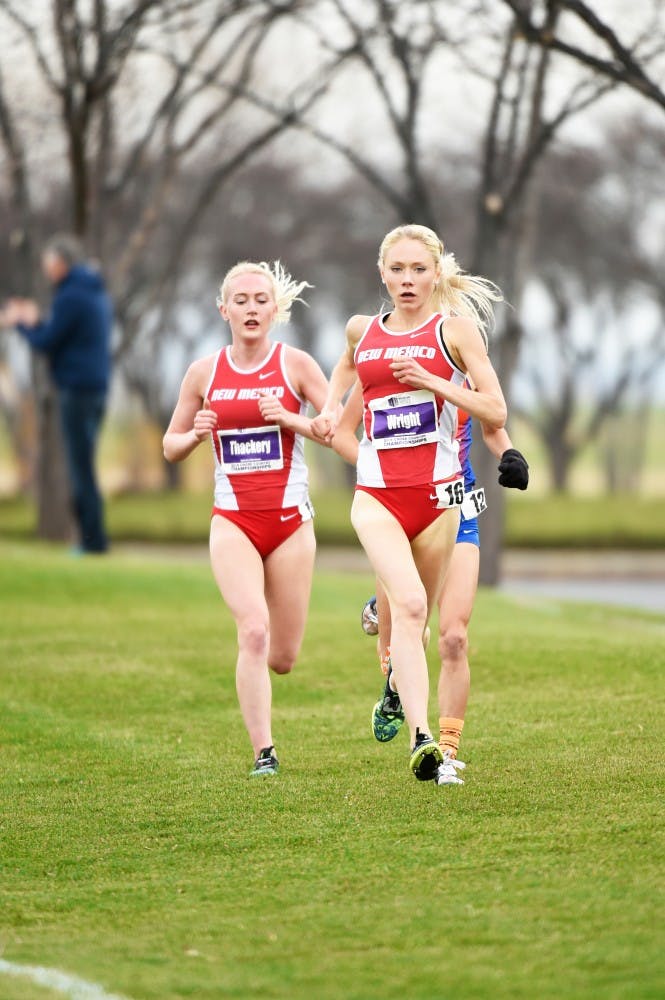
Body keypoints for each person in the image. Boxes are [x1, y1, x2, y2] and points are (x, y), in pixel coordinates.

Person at [314, 222, 515, 785]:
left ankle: (398, 686)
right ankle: (426, 744)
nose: (407, 279)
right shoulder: (362, 330)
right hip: (377, 500)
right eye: (397, 269)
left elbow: (494, 411)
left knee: (429, 624)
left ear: (436, 274)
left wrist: (434, 380)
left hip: (444, 501)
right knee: (409, 608)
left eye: (418, 269)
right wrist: (331, 410)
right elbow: (347, 368)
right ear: (382, 272)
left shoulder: (455, 332)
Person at [162, 260, 329, 778]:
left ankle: (268, 726)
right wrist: (195, 436)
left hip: (290, 526)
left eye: (261, 300)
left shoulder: (296, 365)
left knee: (282, 656)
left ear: (275, 310)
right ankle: (265, 752)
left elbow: (338, 426)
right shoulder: (203, 373)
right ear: (224, 310)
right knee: (252, 631)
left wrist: (291, 419)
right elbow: (170, 444)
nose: (252, 309)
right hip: (232, 521)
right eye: (242, 300)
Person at [335, 381, 528, 785]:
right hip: (396, 508)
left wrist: (509, 453)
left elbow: (492, 421)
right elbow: (342, 430)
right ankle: (393, 681)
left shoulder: (461, 362)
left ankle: (446, 750)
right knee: (406, 633)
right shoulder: (388, 360)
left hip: (457, 507)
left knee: (453, 636)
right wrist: (375, 475)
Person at [0, 234, 113, 553]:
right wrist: (36, 321)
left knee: (80, 467)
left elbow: (46, 342)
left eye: (49, 262)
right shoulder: (92, 289)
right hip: (96, 387)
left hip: (77, 389)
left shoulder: (71, 295)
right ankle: (95, 539)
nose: (46, 269)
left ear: (62, 262)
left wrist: (21, 323)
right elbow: (61, 333)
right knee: (85, 464)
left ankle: (92, 543)